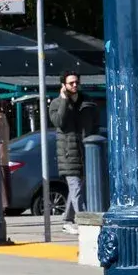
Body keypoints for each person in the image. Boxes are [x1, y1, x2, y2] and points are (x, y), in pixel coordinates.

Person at [49, 73, 99, 218]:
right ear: (63, 85)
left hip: (86, 151)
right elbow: (59, 122)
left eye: (76, 82)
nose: (75, 85)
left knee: (77, 189)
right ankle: (84, 220)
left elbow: (95, 122)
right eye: (71, 83)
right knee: (76, 187)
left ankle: (67, 220)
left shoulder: (87, 102)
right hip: (68, 153)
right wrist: (64, 101)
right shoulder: (56, 104)